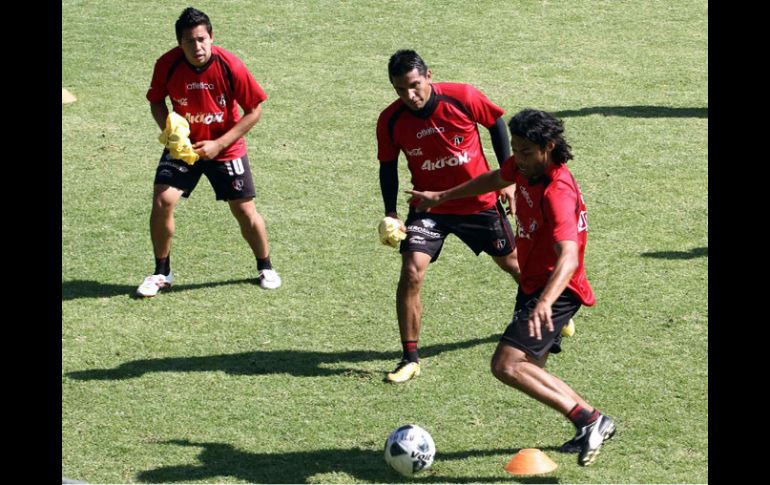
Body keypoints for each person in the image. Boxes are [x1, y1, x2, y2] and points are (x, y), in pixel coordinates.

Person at [407, 109, 615, 466]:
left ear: (548, 147)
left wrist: (545, 303)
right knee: (530, 366)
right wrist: (442, 197)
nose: (517, 159)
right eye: (515, 150)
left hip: (556, 289)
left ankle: (590, 419)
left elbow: (569, 256)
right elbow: (492, 178)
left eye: (525, 152)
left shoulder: (556, 191)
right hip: (535, 284)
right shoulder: (525, 167)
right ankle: (590, 422)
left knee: (506, 364)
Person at [376, 49, 520, 383]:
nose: (410, 96)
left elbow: (496, 124)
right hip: (429, 207)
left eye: (414, 85)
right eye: (400, 90)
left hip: (478, 202)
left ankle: (550, 310)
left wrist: (507, 179)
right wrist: (391, 214)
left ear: (429, 75)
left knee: (514, 266)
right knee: (411, 272)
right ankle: (410, 358)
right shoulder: (390, 120)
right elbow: (387, 167)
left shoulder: (462, 97)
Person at [137, 7, 281, 297]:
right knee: (163, 200)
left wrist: (219, 144)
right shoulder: (167, 64)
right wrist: (171, 130)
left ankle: (265, 266)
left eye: (202, 39)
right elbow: (155, 100)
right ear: (180, 43)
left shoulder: (231, 65)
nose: (197, 46)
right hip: (185, 147)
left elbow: (254, 111)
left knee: (244, 209)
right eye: (190, 41)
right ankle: (161, 272)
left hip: (224, 146)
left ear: (211, 37)